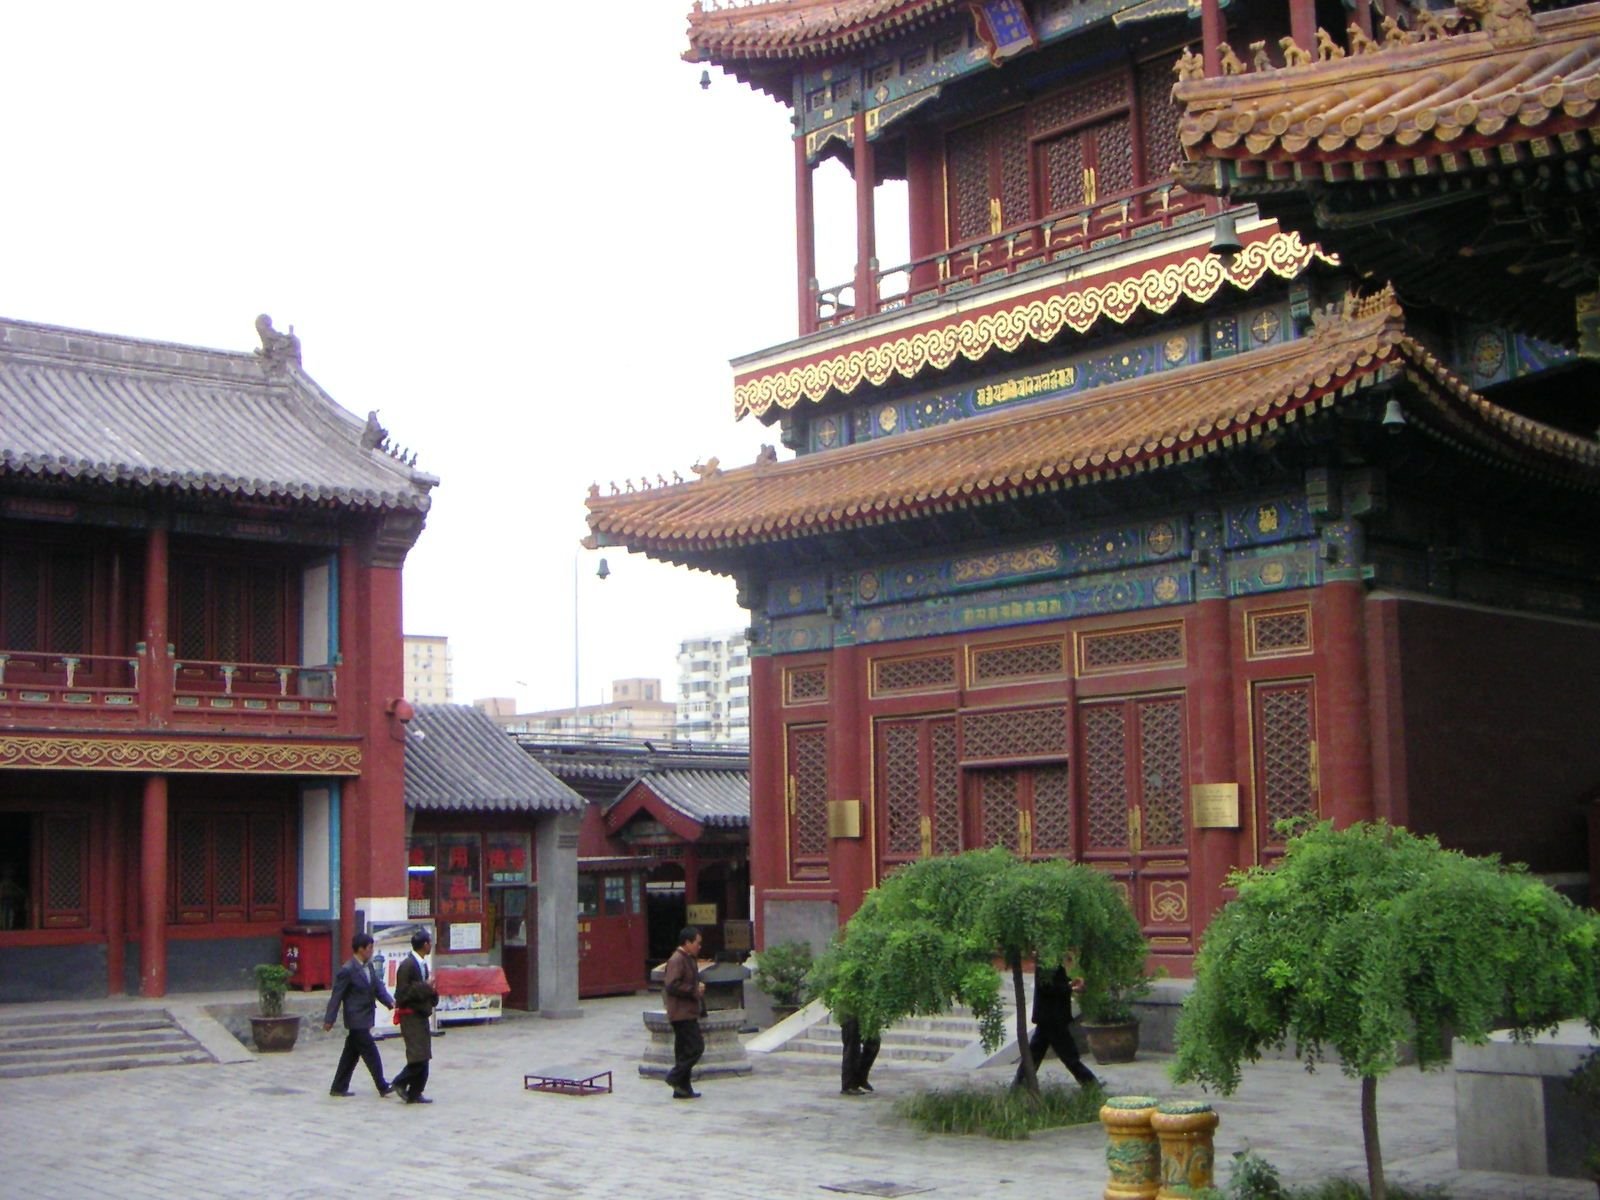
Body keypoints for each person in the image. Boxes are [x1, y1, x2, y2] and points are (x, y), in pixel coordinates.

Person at [322, 932, 396, 1098]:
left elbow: (377, 987)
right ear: (361, 949)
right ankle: (382, 1085)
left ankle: (338, 1087)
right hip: (356, 1018)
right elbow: (337, 996)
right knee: (370, 1051)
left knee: (351, 1053)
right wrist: (329, 1019)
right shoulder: (347, 970)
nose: (371, 951)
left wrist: (389, 1002)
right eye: (369, 948)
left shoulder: (369, 966)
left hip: (366, 1015)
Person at [1014, 964, 1102, 1089]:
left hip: (1049, 1017)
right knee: (1068, 1054)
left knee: (1035, 1053)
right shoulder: (1046, 962)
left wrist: (1070, 984)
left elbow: (1054, 983)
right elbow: (1047, 987)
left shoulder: (1051, 960)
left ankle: (1019, 1085)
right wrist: (1070, 988)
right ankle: (1090, 1083)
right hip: (1052, 1017)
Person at [391, 930, 439, 1104]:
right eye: (429, 942)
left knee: (424, 1055)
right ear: (425, 944)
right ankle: (399, 1082)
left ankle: (415, 1092)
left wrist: (432, 991)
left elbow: (425, 989)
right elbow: (402, 994)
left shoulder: (422, 965)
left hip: (421, 1014)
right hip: (410, 1016)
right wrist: (425, 987)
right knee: (418, 1056)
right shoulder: (407, 965)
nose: (431, 945)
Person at [662, 925, 706, 1100]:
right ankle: (674, 1076)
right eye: (697, 943)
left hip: (687, 1011)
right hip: (681, 1013)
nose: (699, 946)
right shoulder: (677, 960)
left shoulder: (688, 958)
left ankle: (682, 1088)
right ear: (687, 942)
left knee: (683, 1050)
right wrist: (694, 990)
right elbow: (672, 985)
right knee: (696, 1047)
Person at [838, 1013, 880, 1096]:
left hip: (865, 1011)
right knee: (852, 1047)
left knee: (873, 1042)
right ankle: (848, 1085)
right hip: (850, 1009)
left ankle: (859, 1079)